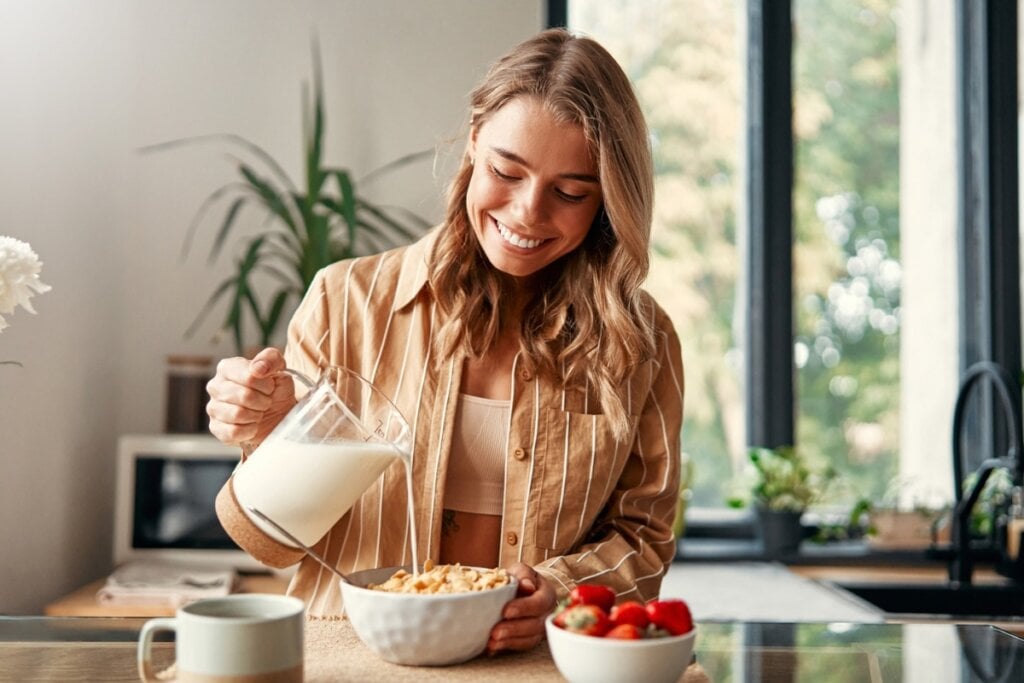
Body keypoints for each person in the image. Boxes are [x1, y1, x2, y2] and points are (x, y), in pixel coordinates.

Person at [207, 27, 684, 654]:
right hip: (348, 655)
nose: (527, 213)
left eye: (570, 193)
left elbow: (644, 537)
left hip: (527, 664)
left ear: (609, 202)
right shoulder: (344, 301)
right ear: (474, 142)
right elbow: (266, 542)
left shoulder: (640, 341)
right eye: (505, 171)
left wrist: (557, 588)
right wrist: (268, 438)